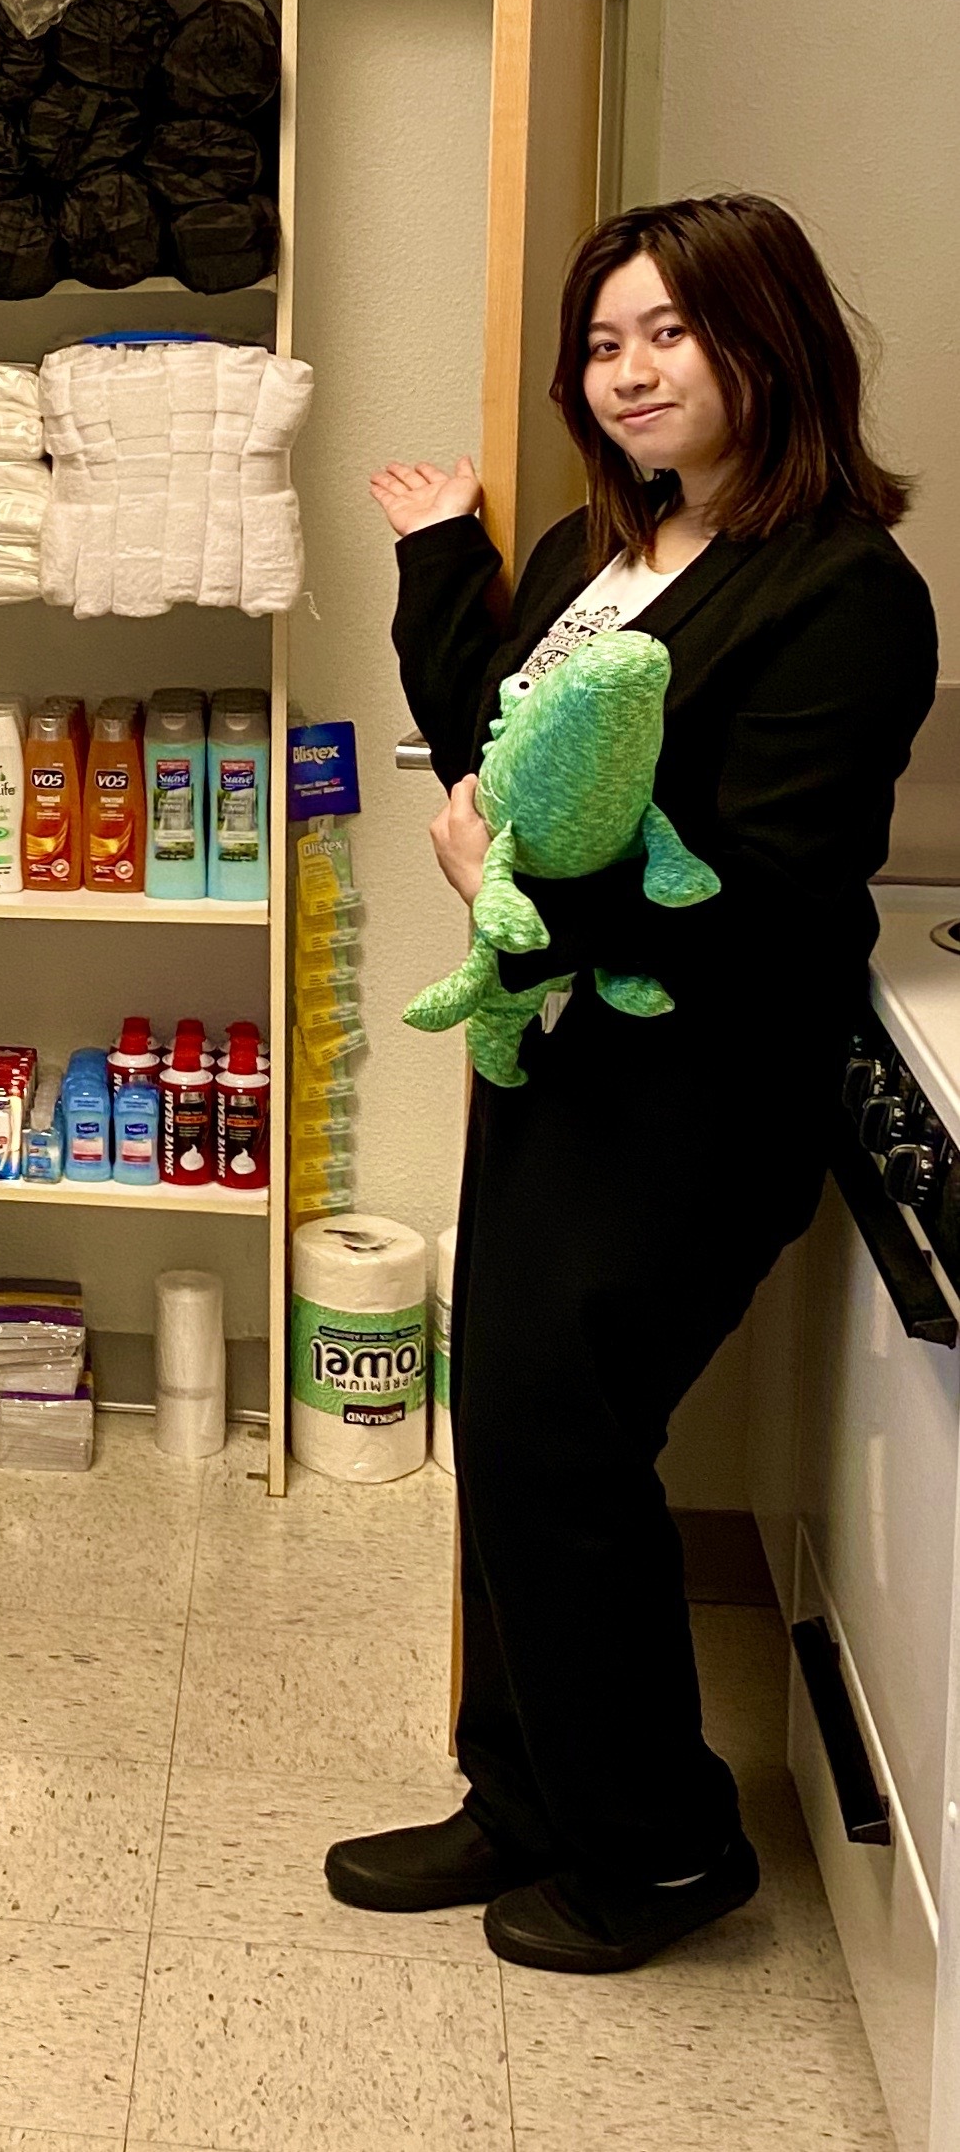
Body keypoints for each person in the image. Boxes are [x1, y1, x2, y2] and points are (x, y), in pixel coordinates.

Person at [335, 192, 936, 1972]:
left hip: (696, 1094)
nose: (626, 369)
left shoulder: (842, 590)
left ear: (769, 340)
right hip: (558, 1060)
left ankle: (663, 1851)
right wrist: (445, 554)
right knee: (517, 1433)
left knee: (560, 1441)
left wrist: (497, 890)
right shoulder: (608, 558)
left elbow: (761, 885)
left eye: (667, 330)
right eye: (601, 344)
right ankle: (524, 1795)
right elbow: (490, 750)